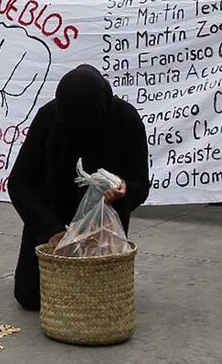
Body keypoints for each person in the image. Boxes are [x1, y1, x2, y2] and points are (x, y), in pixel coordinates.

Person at [8, 65, 150, 310]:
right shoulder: (50, 118)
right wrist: (51, 229)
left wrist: (124, 191)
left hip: (102, 226)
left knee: (97, 300)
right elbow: (19, 183)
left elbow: (140, 182)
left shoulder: (125, 120)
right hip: (51, 219)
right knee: (31, 296)